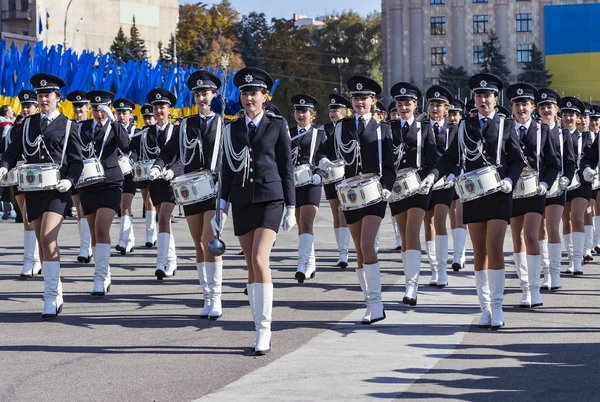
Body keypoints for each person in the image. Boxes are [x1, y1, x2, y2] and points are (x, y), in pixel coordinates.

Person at [421, 73, 525, 329]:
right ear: (474, 99)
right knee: (479, 250)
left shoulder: (505, 125)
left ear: (495, 98)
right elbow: (450, 157)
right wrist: (433, 176)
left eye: (487, 96)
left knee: (495, 247)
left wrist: (511, 180)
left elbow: (516, 160)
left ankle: (498, 306)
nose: (483, 100)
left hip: (499, 193)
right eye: (479, 96)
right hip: (473, 194)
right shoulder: (464, 126)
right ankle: (485, 307)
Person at [212, 67, 296, 355]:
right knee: (250, 265)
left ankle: (265, 329)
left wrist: (292, 205)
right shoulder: (231, 128)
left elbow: (286, 167)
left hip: (271, 199)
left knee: (261, 259)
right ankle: (256, 326)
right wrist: (220, 207)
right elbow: (226, 170)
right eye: (245, 93)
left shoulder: (277, 124)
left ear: (265, 96)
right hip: (242, 200)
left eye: (255, 93)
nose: (249, 98)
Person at [0, 73, 84, 318]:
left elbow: (77, 162)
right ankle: (56, 289)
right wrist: (4, 165)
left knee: (48, 237)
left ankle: (49, 297)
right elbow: (12, 152)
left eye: (47, 94)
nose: (43, 98)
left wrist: (70, 180)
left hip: (57, 190)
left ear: (58, 97)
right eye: (40, 95)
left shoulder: (69, 125)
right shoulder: (27, 124)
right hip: (32, 189)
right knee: (40, 239)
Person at [316, 75, 395, 324]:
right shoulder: (342, 126)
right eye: (355, 98)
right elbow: (324, 151)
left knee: (367, 243)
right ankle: (368, 301)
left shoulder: (384, 128)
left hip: (374, 193)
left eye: (364, 98)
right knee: (359, 250)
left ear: (373, 101)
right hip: (349, 194)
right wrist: (323, 162)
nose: (359, 102)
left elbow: (391, 165)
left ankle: (377, 303)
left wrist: (387, 188)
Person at [152, 71, 225, 319]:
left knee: (209, 240)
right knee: (198, 243)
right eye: (197, 95)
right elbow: (169, 151)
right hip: (192, 190)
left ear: (215, 95)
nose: (202, 99)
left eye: (206, 93)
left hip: (216, 189)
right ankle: (206, 294)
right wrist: (158, 166)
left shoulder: (225, 123)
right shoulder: (185, 124)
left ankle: (216, 296)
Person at [505, 83, 559, 309]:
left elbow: (553, 163)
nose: (521, 108)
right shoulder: (505, 130)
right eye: (517, 104)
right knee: (517, 236)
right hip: (513, 189)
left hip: (536, 190)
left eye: (525, 104)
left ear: (532, 106)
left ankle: (535, 289)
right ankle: (525, 286)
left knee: (530, 233)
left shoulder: (543, 130)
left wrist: (546, 183)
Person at [387, 82, 437, 304]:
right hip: (397, 188)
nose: (403, 108)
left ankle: (412, 288)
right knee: (404, 236)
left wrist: (431, 178)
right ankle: (409, 281)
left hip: (418, 187)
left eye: (407, 103)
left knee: (412, 231)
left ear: (415, 105)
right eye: (400, 104)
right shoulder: (388, 128)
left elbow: (435, 159)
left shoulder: (425, 128)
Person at [78, 91, 130, 295]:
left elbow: (126, 146)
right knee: (93, 232)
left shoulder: (116, 127)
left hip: (110, 182)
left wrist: (113, 120)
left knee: (101, 228)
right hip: (88, 183)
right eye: (95, 109)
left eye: (103, 109)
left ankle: (99, 279)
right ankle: (104, 271)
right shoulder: (82, 127)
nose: (99, 114)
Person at [537, 88, 576, 291]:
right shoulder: (533, 130)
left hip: (556, 187)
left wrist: (567, 180)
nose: (546, 110)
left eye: (549, 107)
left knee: (552, 226)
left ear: (556, 110)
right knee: (539, 228)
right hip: (535, 186)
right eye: (542, 107)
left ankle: (555, 272)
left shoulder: (563, 133)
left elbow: (570, 162)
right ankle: (545, 271)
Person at [421, 86, 460, 288]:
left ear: (447, 108)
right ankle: (434, 268)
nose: (435, 108)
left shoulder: (454, 129)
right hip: (426, 181)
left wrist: (454, 174)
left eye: (439, 105)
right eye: (432, 105)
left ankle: (443, 269)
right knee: (427, 222)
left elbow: (458, 156)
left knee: (440, 218)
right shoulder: (422, 127)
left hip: (446, 181)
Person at [289, 94, 326, 282]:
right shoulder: (287, 132)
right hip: (293, 184)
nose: (301, 115)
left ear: (313, 114)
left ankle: (303, 264)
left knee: (307, 221)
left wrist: (320, 171)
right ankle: (310, 262)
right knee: (300, 224)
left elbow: (323, 155)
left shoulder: (319, 134)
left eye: (305, 112)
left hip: (312, 182)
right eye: (298, 111)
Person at [146, 89, 181, 279]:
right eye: (156, 107)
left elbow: (183, 156)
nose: (159, 110)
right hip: (155, 182)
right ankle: (172, 260)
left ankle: (161, 261)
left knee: (165, 218)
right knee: (163, 219)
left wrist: (171, 171)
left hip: (172, 181)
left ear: (169, 109)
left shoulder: (177, 130)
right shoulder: (147, 133)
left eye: (162, 107)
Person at [320, 94, 353, 268]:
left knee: (343, 211)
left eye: (336, 110)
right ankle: (340, 248)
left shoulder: (348, 127)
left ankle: (344, 253)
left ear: (344, 112)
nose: (332, 113)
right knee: (335, 213)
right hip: (330, 175)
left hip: (345, 174)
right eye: (331, 110)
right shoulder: (324, 129)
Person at [561, 97, 591, 275]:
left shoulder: (586, 137)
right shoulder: (555, 134)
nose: (568, 118)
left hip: (581, 182)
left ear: (578, 117)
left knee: (577, 216)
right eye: (565, 114)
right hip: (563, 181)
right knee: (566, 220)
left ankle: (578, 259)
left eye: (572, 115)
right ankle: (571, 257)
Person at [67, 90, 94, 263]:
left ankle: (88, 246)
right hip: (76, 171)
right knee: (80, 210)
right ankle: (85, 246)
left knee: (89, 211)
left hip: (91, 172)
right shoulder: (69, 125)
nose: (78, 109)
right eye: (75, 106)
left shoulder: (93, 124)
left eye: (81, 106)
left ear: (88, 107)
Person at [130, 104, 158, 247]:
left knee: (150, 200)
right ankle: (151, 233)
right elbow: (133, 150)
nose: (148, 121)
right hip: (143, 171)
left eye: (151, 118)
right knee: (147, 201)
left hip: (157, 172)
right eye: (146, 118)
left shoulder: (159, 132)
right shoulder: (140, 134)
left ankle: (150, 234)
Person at [113, 98, 138, 255]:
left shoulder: (137, 131)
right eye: (119, 113)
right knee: (120, 207)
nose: (121, 116)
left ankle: (123, 240)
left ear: (130, 115)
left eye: (124, 113)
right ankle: (130, 239)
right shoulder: (112, 129)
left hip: (130, 173)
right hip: (115, 172)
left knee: (125, 205)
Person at [446, 99, 468, 271]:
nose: (452, 118)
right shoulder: (440, 129)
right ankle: (457, 248)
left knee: (459, 214)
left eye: (455, 114)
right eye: (450, 114)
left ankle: (458, 254)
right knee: (451, 215)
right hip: (444, 178)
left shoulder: (463, 130)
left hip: (460, 175)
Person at [579, 103, 595, 263]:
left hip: (594, 179)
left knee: (590, 211)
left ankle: (590, 245)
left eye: (586, 117)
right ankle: (584, 249)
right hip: (582, 179)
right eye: (581, 117)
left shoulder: (592, 136)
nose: (584, 121)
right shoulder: (575, 135)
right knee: (584, 213)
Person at [590, 106, 600, 254]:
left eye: (596, 119)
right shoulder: (585, 136)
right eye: (592, 120)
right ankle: (595, 240)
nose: (593, 123)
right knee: (594, 209)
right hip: (593, 177)